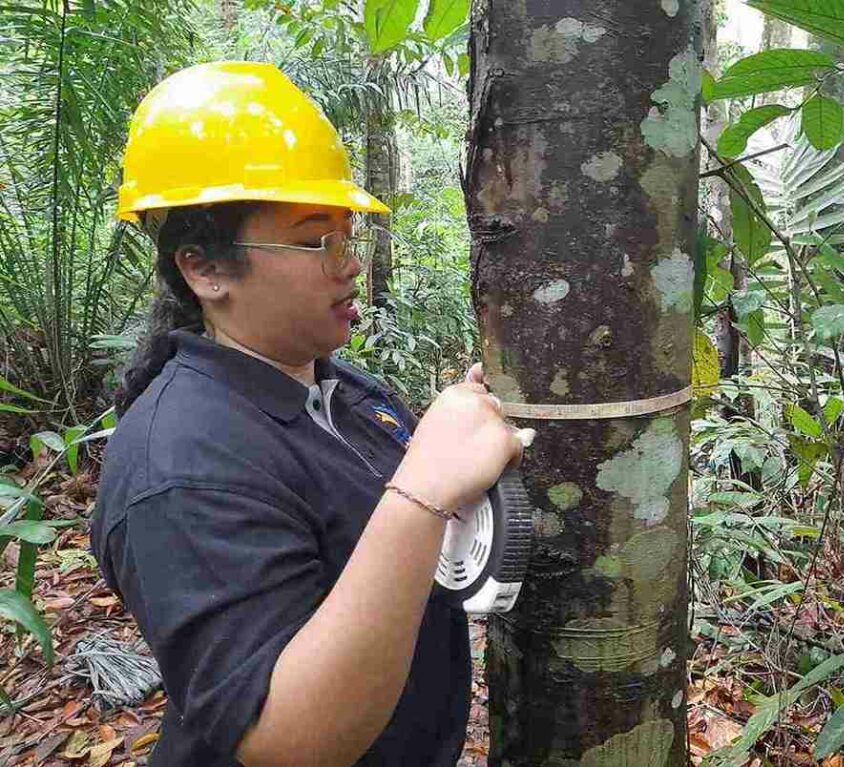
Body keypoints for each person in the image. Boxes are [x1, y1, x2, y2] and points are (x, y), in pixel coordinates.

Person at [90, 61, 530, 767]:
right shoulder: (177, 464)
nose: (349, 263)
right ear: (204, 269)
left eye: (346, 235)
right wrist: (422, 489)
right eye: (311, 238)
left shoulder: (340, 391)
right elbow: (291, 736)